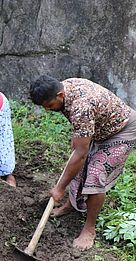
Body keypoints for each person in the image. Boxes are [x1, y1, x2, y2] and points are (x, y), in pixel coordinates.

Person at [29, 76, 136, 251]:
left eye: (49, 106)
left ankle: (89, 229)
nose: (48, 110)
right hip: (101, 128)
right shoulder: (66, 88)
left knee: (95, 173)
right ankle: (71, 205)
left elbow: (80, 152)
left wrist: (59, 188)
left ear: (60, 94)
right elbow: (80, 144)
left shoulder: (81, 107)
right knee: (78, 168)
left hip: (122, 131)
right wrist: (80, 137)